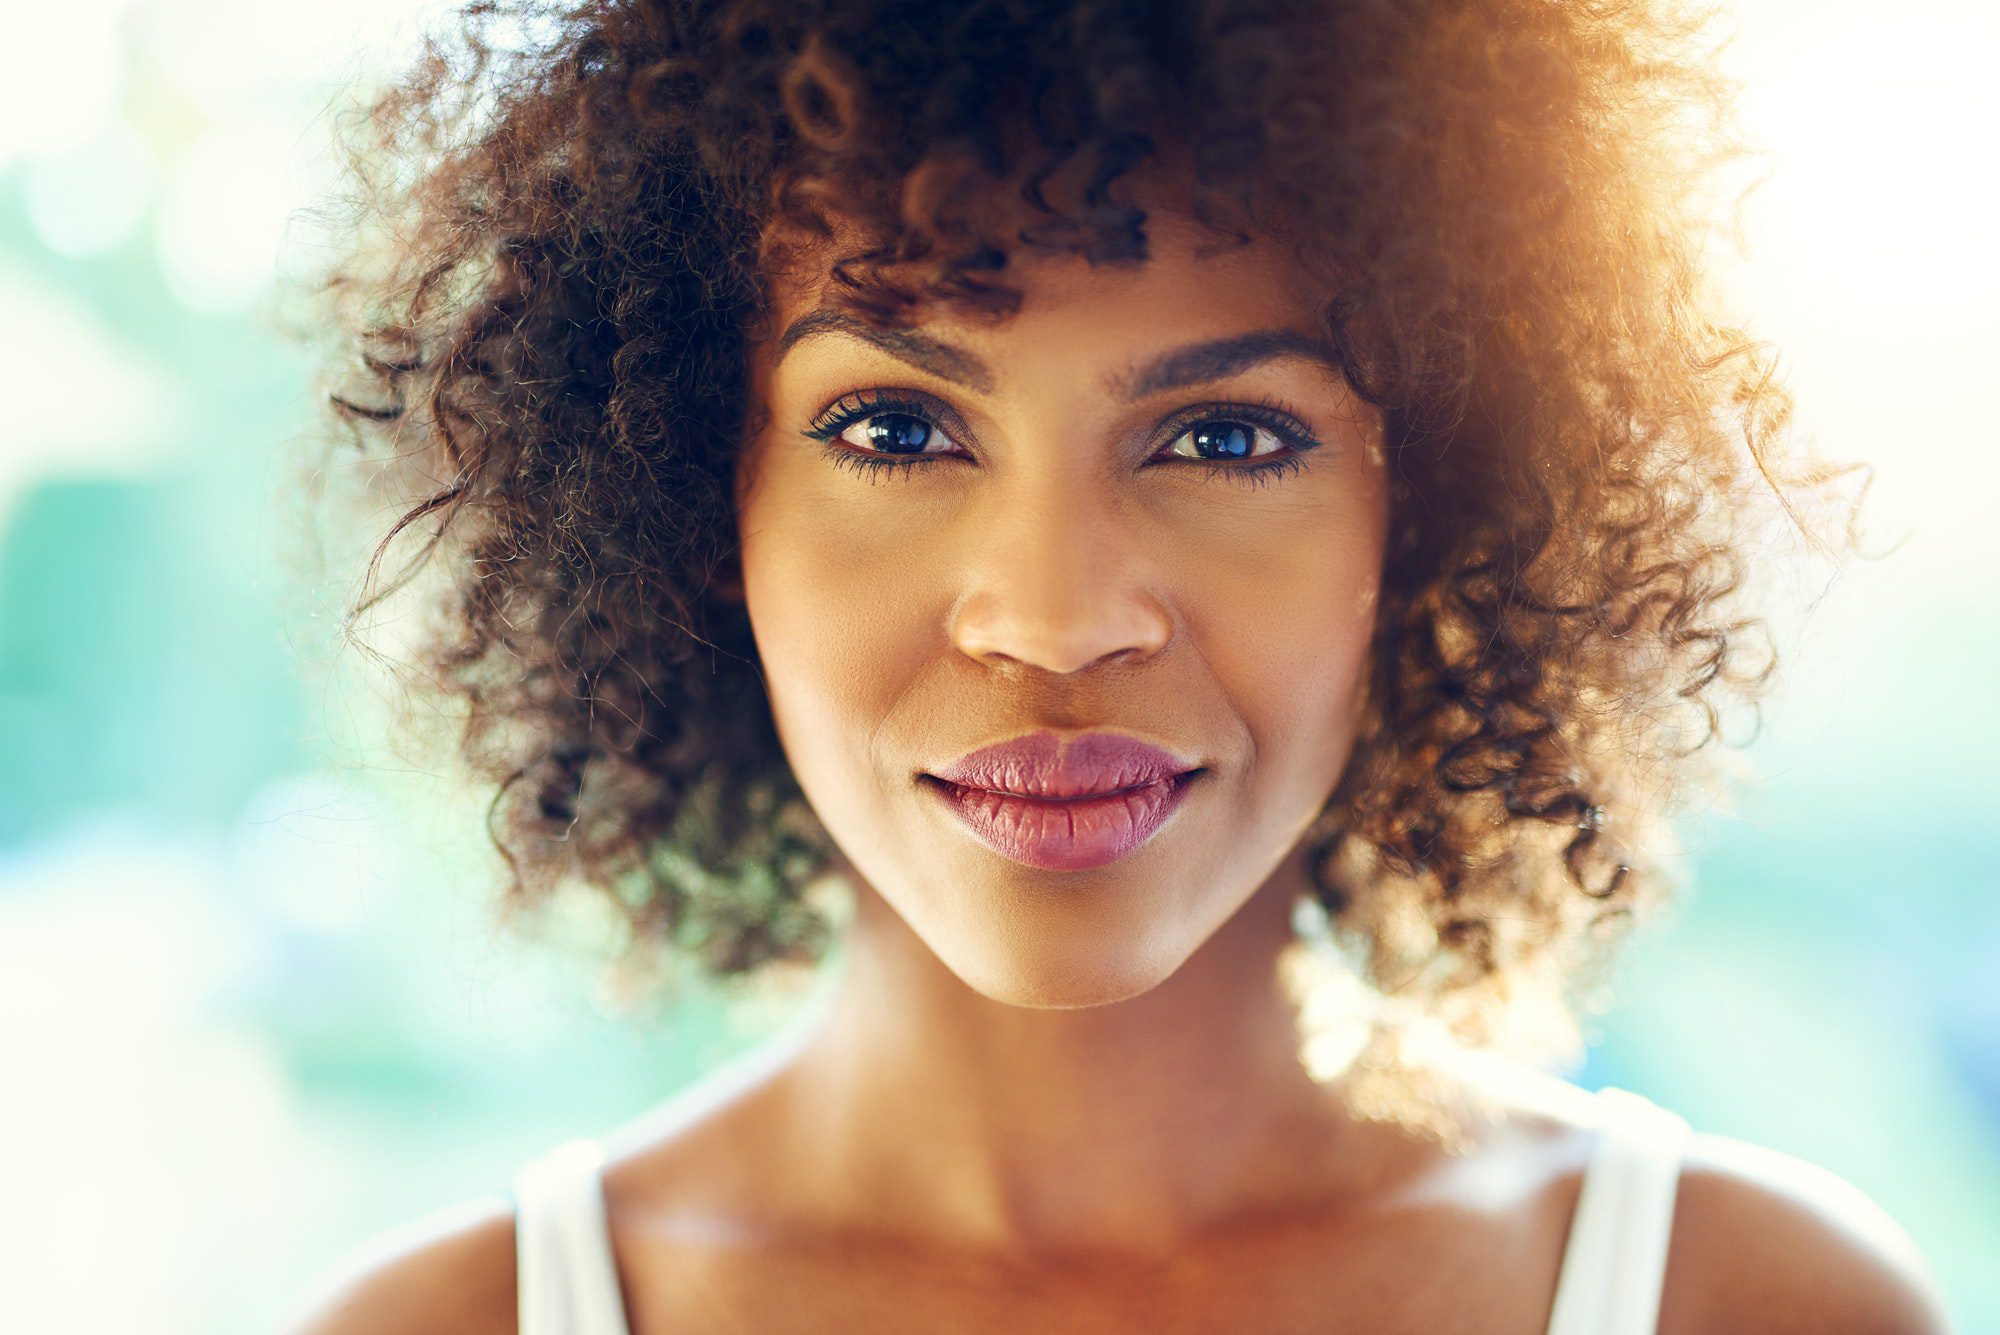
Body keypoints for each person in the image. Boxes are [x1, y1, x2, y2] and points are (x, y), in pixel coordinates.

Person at [283, 0, 1949, 1330]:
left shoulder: (1752, 1307)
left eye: (1224, 435)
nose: (1058, 620)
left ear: (1429, 503)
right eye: (896, 425)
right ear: (695, 498)